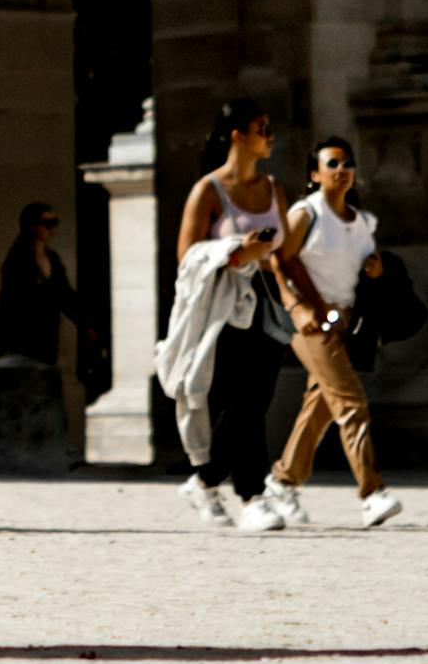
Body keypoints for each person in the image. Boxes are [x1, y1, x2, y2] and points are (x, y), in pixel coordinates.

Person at [152, 99, 298, 523]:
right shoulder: (208, 190)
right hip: (225, 309)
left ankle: (204, 481)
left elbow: (284, 255)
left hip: (268, 304)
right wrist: (235, 252)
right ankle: (253, 496)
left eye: (271, 128)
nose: (270, 135)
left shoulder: (273, 189)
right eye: (261, 127)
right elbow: (186, 255)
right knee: (242, 403)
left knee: (255, 402)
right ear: (237, 135)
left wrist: (305, 302)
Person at [252, 135, 403, 531]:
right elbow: (274, 261)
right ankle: (372, 493)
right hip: (312, 323)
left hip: (347, 323)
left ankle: (282, 481)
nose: (342, 169)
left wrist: (374, 268)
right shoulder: (307, 213)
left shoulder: (362, 222)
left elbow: (364, 270)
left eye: (347, 162)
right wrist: (296, 306)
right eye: (332, 164)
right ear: (315, 174)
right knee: (351, 402)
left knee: (319, 406)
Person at [0, 200, 80, 466]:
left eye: (54, 223)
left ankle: (55, 444)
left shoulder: (52, 259)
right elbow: (10, 304)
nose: (51, 229)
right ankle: (21, 446)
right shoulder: (17, 260)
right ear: (32, 226)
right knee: (22, 392)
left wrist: (86, 324)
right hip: (20, 338)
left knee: (48, 387)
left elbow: (65, 295)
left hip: (47, 335)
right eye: (47, 223)